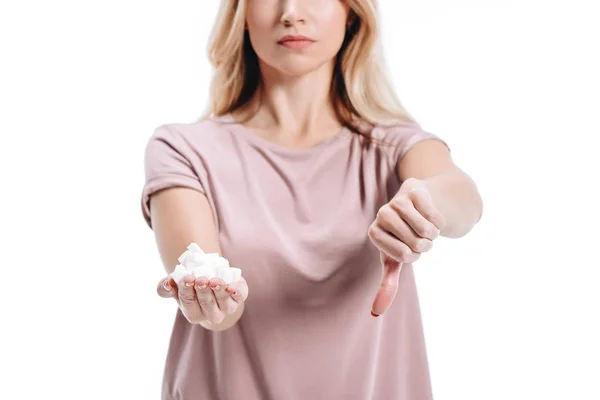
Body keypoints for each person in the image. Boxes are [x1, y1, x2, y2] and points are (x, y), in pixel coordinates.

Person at [140, 1, 483, 399]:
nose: (291, 12)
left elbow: (463, 198)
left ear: (351, 13)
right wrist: (210, 299)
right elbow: (217, 307)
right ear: (242, 15)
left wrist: (423, 202)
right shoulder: (183, 149)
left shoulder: (393, 147)